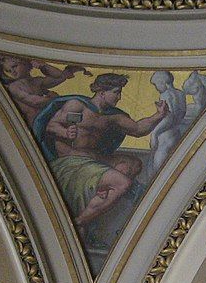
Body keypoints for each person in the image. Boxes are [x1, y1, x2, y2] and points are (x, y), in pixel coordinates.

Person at [31, 73, 167, 239]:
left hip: (93, 160)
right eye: (116, 92)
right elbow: (51, 125)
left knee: (133, 164)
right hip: (72, 159)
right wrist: (65, 132)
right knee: (123, 183)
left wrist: (158, 115)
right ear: (102, 92)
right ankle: (80, 221)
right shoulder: (77, 106)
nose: (119, 97)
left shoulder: (113, 116)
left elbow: (138, 129)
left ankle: (97, 194)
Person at [0, 53, 90, 122]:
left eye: (14, 66)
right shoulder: (14, 87)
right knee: (72, 115)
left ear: (25, 63)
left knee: (79, 115)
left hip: (48, 116)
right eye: (9, 71)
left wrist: (43, 66)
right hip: (38, 120)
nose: (13, 72)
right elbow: (35, 102)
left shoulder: (36, 81)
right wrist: (52, 99)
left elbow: (59, 77)